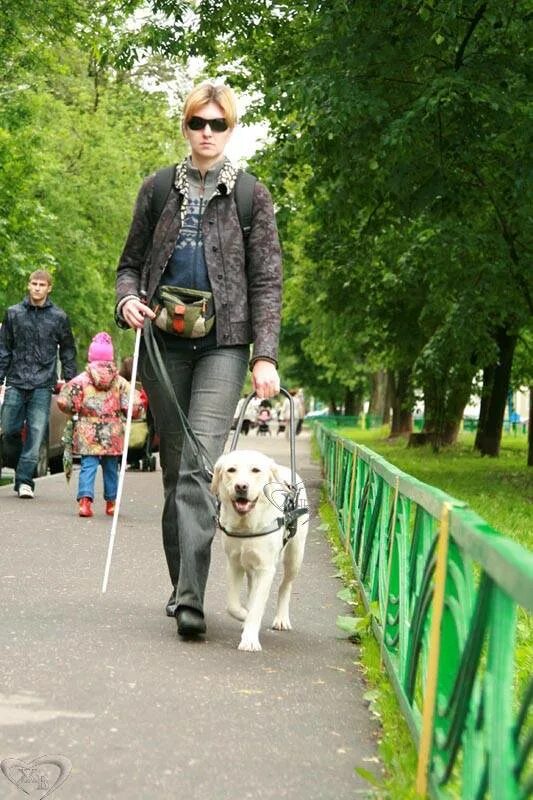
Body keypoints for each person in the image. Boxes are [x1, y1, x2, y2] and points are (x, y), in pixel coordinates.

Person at [115, 81, 282, 638]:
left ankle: (191, 601)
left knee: (200, 465)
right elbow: (130, 264)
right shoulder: (158, 188)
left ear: (230, 130)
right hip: (162, 344)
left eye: (217, 125)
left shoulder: (251, 195)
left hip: (224, 345)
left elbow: (267, 281)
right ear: (185, 126)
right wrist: (128, 300)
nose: (206, 133)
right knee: (173, 471)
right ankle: (181, 583)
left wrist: (265, 357)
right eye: (197, 123)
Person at [0, 270, 77, 499]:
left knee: (36, 432)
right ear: (28, 285)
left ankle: (24, 481)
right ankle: (17, 461)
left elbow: (68, 350)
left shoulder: (59, 317)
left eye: (41, 284)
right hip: (16, 380)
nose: (37, 288)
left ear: (49, 288)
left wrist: (70, 382)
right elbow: (4, 349)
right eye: (33, 283)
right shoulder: (13, 314)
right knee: (9, 430)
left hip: (43, 385)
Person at [57, 332, 145, 517]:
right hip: (112, 432)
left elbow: (64, 400)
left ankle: (85, 502)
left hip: (87, 430)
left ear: (91, 356)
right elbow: (133, 404)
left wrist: (74, 410)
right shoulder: (119, 381)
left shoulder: (82, 380)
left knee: (88, 466)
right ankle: (111, 503)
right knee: (111, 467)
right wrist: (133, 412)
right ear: (110, 357)